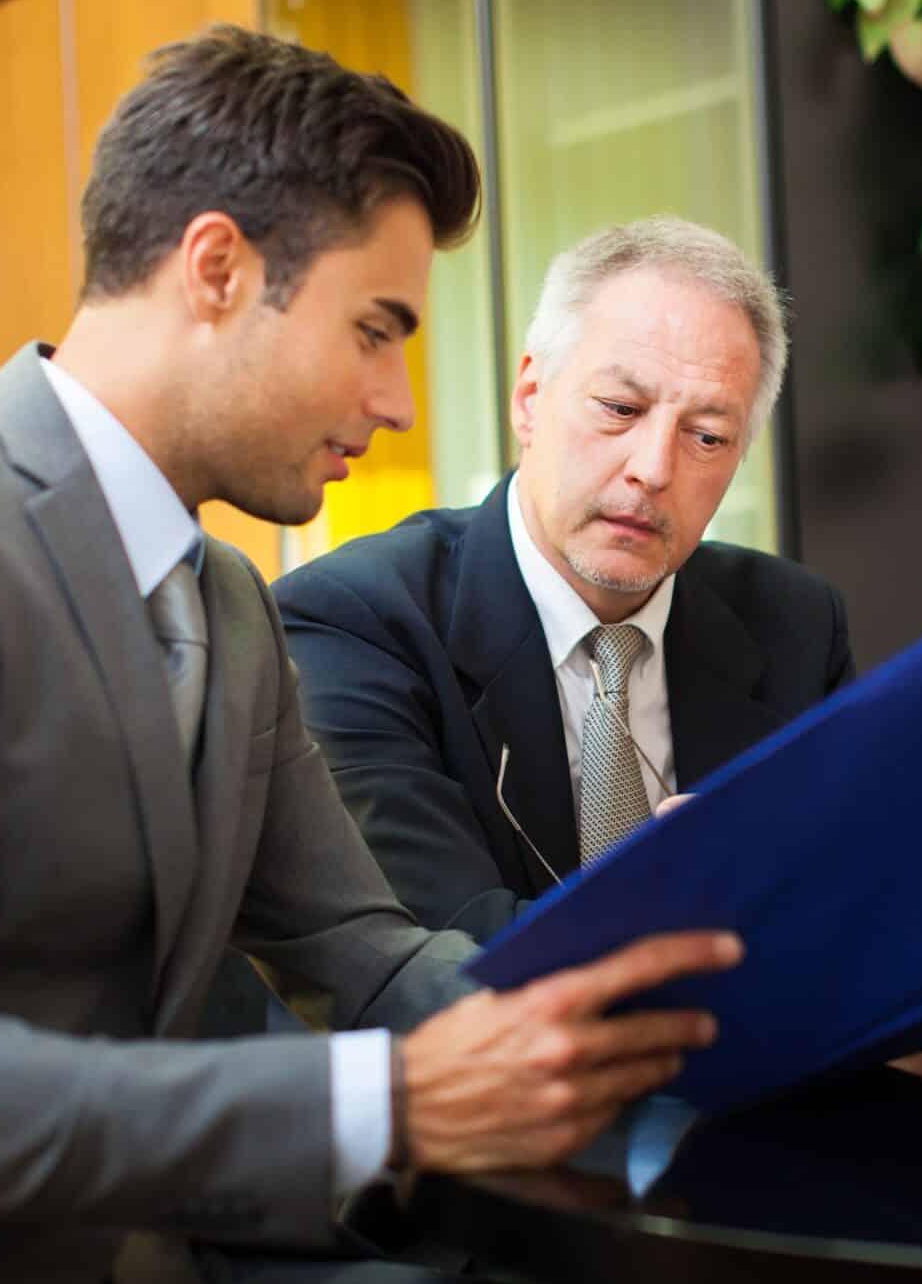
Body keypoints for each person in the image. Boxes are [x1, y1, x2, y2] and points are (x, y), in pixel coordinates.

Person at [0, 27, 743, 1284]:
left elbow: (366, 957)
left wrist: (694, 992)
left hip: (115, 1277)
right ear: (217, 268)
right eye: (376, 331)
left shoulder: (224, 606)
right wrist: (386, 1101)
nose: (396, 401)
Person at [273, 217, 853, 941]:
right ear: (530, 397)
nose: (653, 468)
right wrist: (669, 901)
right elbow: (440, 952)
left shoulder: (795, 622)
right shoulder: (356, 621)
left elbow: (846, 909)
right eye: (619, 409)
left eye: (707, 436)